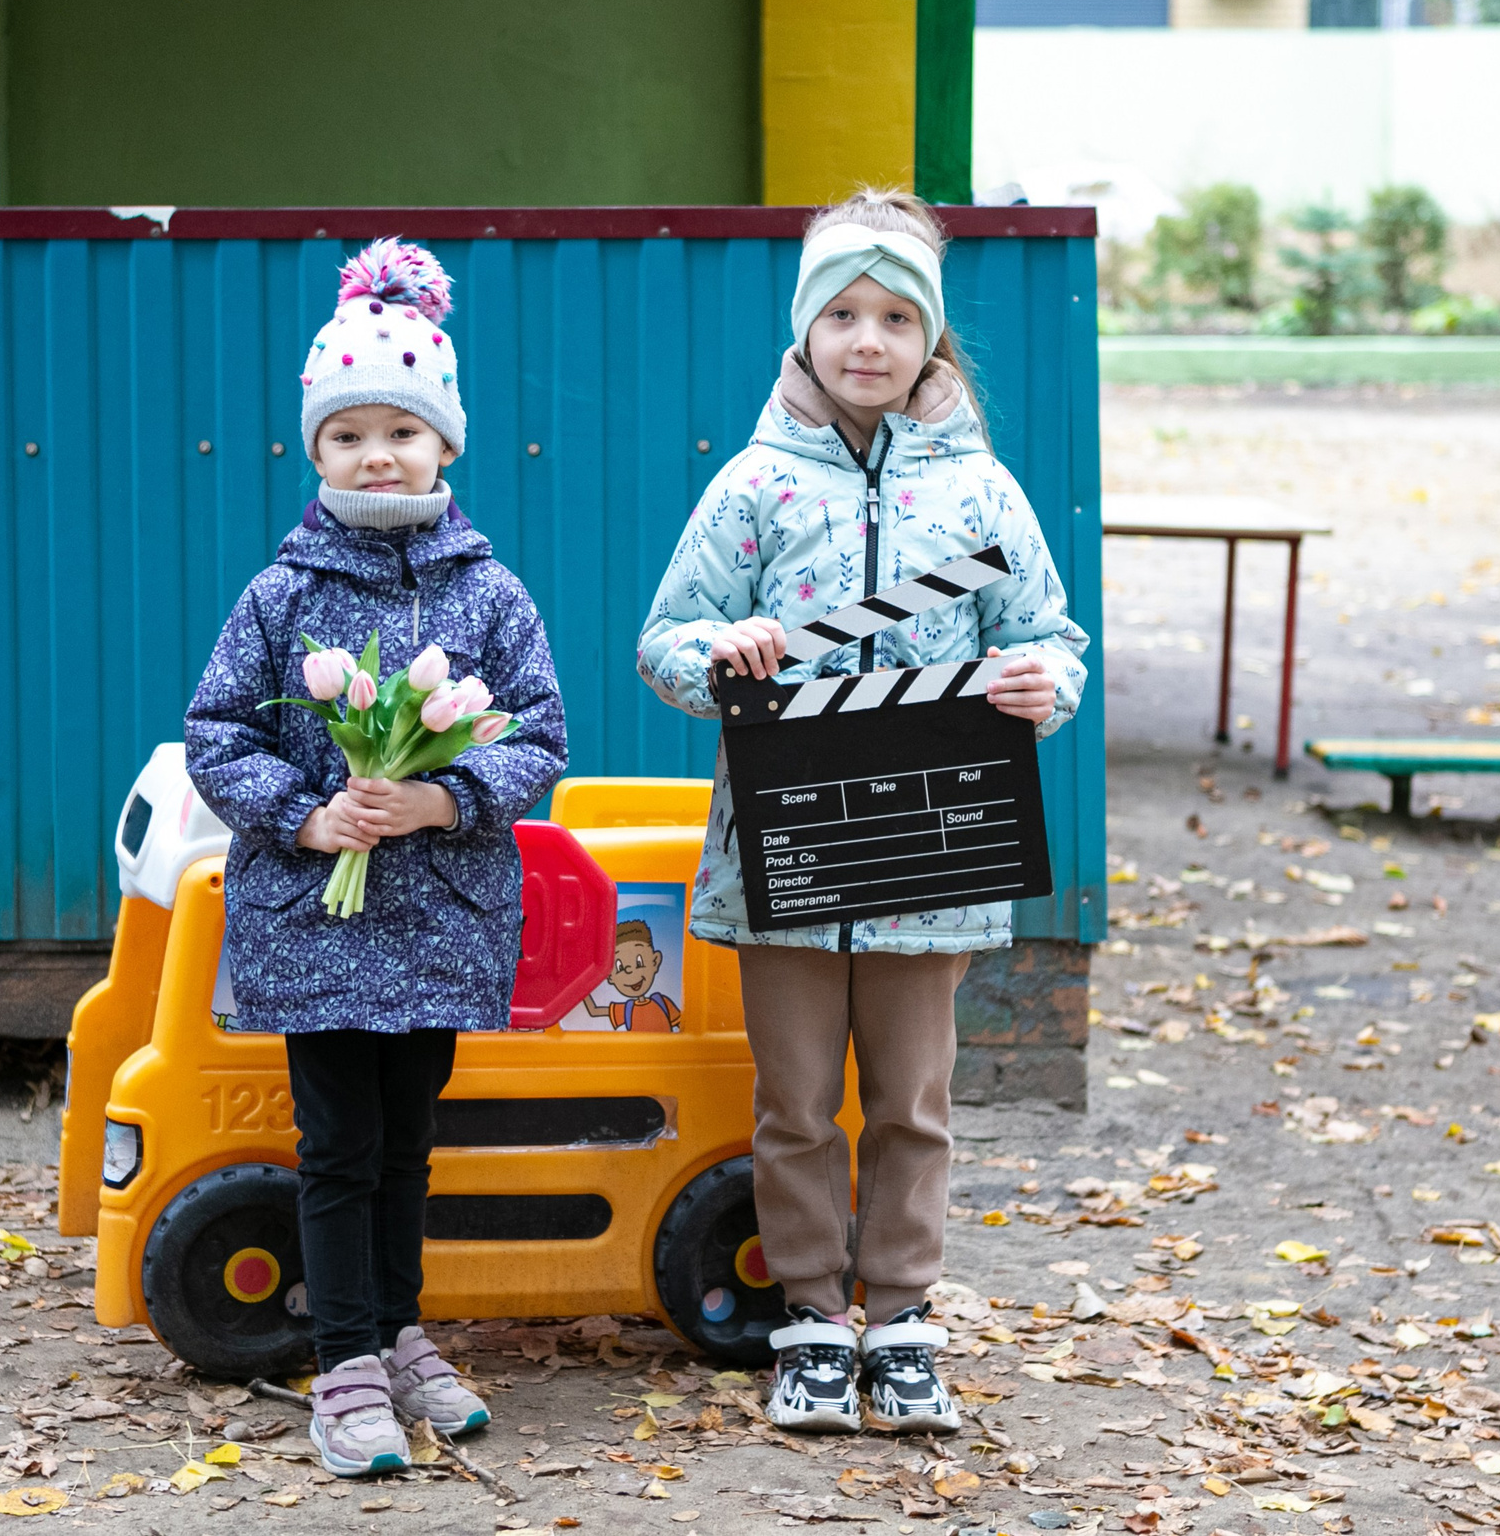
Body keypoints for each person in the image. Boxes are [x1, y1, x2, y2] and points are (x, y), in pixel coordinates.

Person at [636, 189, 1089, 1434]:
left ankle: (900, 1320)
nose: (868, 340)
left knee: (912, 1102)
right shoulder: (751, 487)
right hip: (783, 852)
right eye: (843, 313)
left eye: (896, 316)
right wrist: (720, 648)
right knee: (791, 1104)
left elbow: (1049, 637)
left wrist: (1042, 684)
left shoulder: (983, 494)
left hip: (933, 850)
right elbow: (662, 641)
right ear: (806, 329)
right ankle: (809, 1322)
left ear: (929, 337)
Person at [185, 240, 567, 1476]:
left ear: (447, 443)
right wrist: (307, 816)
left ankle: (400, 1332)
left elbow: (540, 737)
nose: (377, 455)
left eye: (401, 430)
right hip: (319, 919)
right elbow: (214, 733)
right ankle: (342, 1359)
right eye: (346, 435)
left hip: (444, 911)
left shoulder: (492, 596)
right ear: (316, 453)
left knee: (410, 1140)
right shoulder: (280, 596)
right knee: (338, 1143)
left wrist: (443, 798)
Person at [583, 920, 680, 1031]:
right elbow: (594, 1010)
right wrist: (579, 982)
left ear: (655, 961)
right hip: (635, 1048)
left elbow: (684, 1026)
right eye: (620, 968)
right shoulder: (628, 1009)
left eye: (639, 963)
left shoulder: (662, 1002)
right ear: (610, 975)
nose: (630, 971)